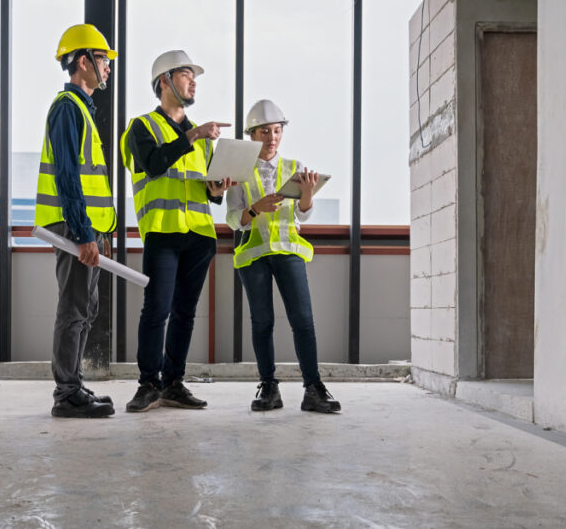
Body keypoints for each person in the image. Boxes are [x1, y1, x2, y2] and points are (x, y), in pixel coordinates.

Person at [120, 50, 235, 413]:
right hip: (163, 233)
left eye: (194, 76)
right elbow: (154, 165)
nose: (193, 81)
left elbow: (202, 188)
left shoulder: (201, 138)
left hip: (199, 235)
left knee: (185, 313)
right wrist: (194, 134)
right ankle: (148, 383)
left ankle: (173, 382)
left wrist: (216, 191)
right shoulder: (141, 127)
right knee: (156, 310)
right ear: (164, 82)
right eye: (186, 74)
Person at [225, 99, 341, 414]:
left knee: (303, 321)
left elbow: (303, 217)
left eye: (277, 130)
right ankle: (268, 387)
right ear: (252, 134)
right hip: (254, 256)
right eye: (265, 131)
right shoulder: (238, 172)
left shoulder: (295, 168)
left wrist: (307, 197)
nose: (272, 137)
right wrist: (254, 209)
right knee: (262, 322)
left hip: (289, 252)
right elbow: (233, 219)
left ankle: (313, 388)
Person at [35, 24, 118, 418]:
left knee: (86, 308)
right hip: (73, 230)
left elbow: (88, 183)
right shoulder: (68, 109)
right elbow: (68, 177)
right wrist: (84, 234)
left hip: (87, 231)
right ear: (82, 61)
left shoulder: (82, 109)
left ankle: (75, 385)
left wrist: (99, 233)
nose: (107, 67)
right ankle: (66, 393)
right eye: (102, 60)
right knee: (73, 308)